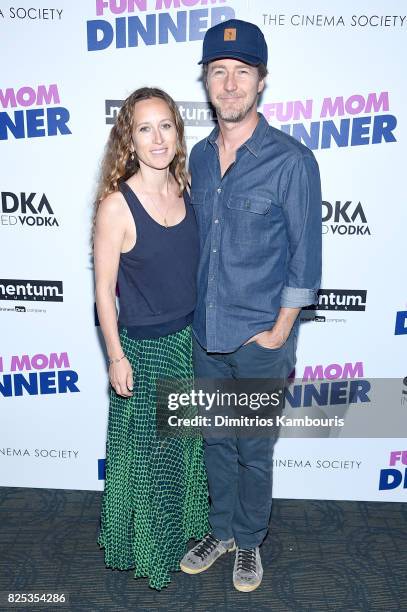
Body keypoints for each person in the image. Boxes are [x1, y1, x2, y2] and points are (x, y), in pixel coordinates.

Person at [180, 19, 322, 592]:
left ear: (261, 82)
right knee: (216, 439)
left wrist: (279, 331)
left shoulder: (291, 160)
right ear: (207, 81)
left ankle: (251, 539)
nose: (230, 83)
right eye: (220, 72)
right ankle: (222, 531)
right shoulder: (197, 156)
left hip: (260, 340)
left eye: (243, 72)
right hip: (205, 333)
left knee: (254, 451)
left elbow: (305, 261)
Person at [93, 87, 209, 590]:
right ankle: (149, 551)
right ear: (129, 140)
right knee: (147, 462)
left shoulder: (188, 189)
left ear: (177, 133)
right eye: (145, 128)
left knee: (185, 452)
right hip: (142, 350)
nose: (158, 137)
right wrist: (116, 357)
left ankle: (183, 533)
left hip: (190, 343)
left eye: (166, 125)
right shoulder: (117, 206)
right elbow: (102, 292)